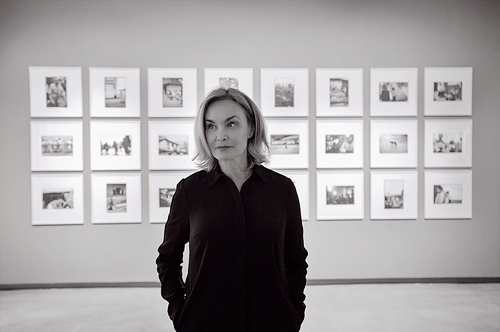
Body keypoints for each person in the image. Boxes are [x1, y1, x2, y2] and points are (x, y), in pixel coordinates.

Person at [156, 88, 308, 332]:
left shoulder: (282, 189)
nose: (220, 135)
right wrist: (180, 314)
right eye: (211, 126)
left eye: (231, 124)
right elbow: (168, 259)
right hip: (205, 323)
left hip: (272, 322)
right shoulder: (190, 191)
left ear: (251, 128)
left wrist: (294, 312)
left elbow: (295, 259)